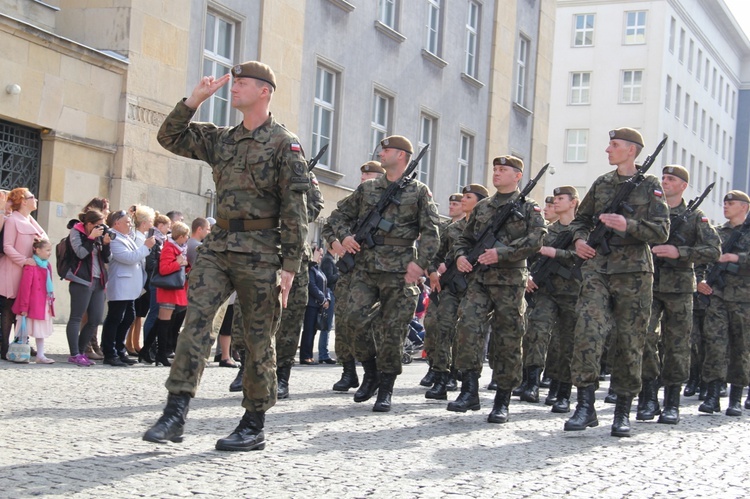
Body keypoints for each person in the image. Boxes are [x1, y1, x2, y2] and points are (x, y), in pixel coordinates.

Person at [143, 61, 309, 452]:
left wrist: (290, 267)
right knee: (195, 323)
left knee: (257, 340)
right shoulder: (223, 139)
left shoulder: (285, 144)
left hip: (263, 252)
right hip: (219, 247)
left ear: (264, 91)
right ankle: (175, 412)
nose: (233, 89)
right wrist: (194, 100)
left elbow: (295, 208)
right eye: (232, 84)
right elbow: (169, 136)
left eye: (242, 84)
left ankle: (253, 422)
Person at [563, 128, 670, 438]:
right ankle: (585, 406)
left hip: (634, 273)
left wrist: (629, 225)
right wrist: (581, 240)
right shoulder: (602, 183)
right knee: (587, 330)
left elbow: (662, 231)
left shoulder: (651, 187)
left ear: (631, 151)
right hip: (597, 267)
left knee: (630, 340)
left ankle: (622, 410)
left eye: (614, 145)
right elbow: (581, 220)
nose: (607, 150)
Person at [326, 135, 440, 413]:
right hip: (366, 267)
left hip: (401, 270)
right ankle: (371, 372)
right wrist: (345, 236)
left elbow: (431, 232)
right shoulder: (368, 189)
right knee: (353, 320)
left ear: (402, 156)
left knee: (393, 331)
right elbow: (337, 217)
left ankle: (385, 388)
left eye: (387, 150)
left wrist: (420, 263)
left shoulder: (418, 191)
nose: (381, 152)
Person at [447, 156, 545, 424]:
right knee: (467, 328)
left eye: (504, 170)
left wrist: (502, 253)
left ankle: (502, 399)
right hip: (479, 279)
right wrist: (460, 256)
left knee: (508, 338)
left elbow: (536, 241)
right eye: (495, 169)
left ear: (518, 176)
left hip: (510, 281)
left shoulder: (529, 208)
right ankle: (469, 390)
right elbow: (464, 238)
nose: (497, 174)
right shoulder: (483, 207)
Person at [637, 166, 720, 424]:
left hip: (680, 288)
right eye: (663, 178)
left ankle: (671, 402)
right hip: (649, 284)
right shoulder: (650, 212)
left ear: (683, 185)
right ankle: (648, 396)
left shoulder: (695, 217)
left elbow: (713, 250)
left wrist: (680, 252)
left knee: (677, 345)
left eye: (671, 179)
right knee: (645, 338)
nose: (665, 182)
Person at [324, 160, 385, 393]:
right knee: (343, 322)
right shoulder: (354, 205)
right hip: (350, 271)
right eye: (362, 177)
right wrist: (336, 242)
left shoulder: (388, 204)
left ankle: (376, 370)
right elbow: (330, 225)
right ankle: (348, 371)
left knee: (371, 324)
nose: (363, 182)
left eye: (369, 177)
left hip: (375, 272)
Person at [423, 184, 488, 399]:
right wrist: (432, 272)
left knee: (467, 332)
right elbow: (435, 255)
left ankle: (464, 376)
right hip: (451, 286)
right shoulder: (452, 229)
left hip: (477, 286)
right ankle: (442, 376)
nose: (463, 201)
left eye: (468, 197)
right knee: (443, 328)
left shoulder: (487, 229)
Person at [523, 186, 580, 412]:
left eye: (560, 199)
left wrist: (556, 253)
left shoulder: (581, 231)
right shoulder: (547, 231)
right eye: (554, 199)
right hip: (545, 291)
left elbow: (585, 256)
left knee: (566, 342)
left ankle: (563, 391)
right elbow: (529, 257)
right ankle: (532, 383)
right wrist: (526, 276)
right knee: (537, 332)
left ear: (573, 202)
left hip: (572, 293)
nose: (555, 202)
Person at [696, 190, 750, 417]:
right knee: (714, 344)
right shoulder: (717, 233)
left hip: (744, 298)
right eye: (725, 202)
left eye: (732, 203)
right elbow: (700, 258)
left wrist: (736, 258)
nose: (726, 206)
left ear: (744, 207)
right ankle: (712, 395)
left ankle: (736, 397)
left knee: (741, 346)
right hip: (716, 295)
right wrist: (699, 281)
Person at [271, 169, 324, 398]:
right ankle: (250, 369)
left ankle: (282, 377)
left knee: (291, 319)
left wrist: (293, 215)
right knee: (253, 315)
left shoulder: (300, 171)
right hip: (264, 250)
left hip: (296, 254)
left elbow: (316, 203)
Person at [100, 209, 156, 366]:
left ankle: (119, 349)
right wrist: (145, 247)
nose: (130, 224)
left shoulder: (125, 236)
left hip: (130, 286)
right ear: (116, 223)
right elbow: (127, 258)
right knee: (115, 318)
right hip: (121, 284)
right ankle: (110, 352)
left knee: (128, 317)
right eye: (126, 221)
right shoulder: (114, 237)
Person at [421, 192, 464, 387]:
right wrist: (432, 271)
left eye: (458, 203)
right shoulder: (445, 228)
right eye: (452, 203)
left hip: (461, 284)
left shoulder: (471, 229)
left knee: (454, 329)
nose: (453, 206)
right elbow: (432, 254)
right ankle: (434, 365)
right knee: (431, 325)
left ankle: (452, 370)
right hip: (441, 284)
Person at [0, 188, 48, 360]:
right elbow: (7, 246)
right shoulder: (13, 220)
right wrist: (23, 260)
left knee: (23, 309)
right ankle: (4, 346)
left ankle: (22, 342)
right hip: (12, 270)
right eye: (31, 197)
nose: (35, 199)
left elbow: (44, 237)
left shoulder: (28, 219)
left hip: (28, 272)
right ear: (23, 201)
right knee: (8, 309)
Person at [65, 209, 111, 366]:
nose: (101, 228)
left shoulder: (98, 235)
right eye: (98, 225)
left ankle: (81, 350)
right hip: (81, 280)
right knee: (76, 317)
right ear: (89, 224)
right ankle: (74, 354)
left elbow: (107, 258)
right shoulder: (76, 232)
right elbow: (80, 253)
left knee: (96, 319)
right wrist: (91, 238)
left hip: (99, 281)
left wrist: (105, 244)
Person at [151, 221, 191, 367]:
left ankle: (148, 351)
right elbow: (164, 269)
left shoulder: (178, 248)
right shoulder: (169, 248)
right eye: (186, 236)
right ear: (180, 236)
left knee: (162, 323)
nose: (187, 238)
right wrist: (179, 263)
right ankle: (161, 354)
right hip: (168, 290)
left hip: (174, 289)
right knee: (163, 324)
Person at [12, 238, 56, 363]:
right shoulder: (31, 266)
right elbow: (25, 288)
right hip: (32, 303)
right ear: (37, 250)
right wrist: (24, 306)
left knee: (40, 330)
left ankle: (40, 355)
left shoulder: (47, 265)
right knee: (25, 329)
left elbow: (49, 284)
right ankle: (21, 353)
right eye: (47, 250)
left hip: (43, 302)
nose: (49, 253)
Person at [80, 197, 111, 360]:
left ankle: (94, 342)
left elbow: (105, 255)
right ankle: (86, 346)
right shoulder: (83, 228)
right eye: (106, 209)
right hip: (87, 274)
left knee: (95, 314)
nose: (108, 212)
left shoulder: (103, 227)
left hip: (100, 274)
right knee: (86, 314)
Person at [139, 212, 171, 363]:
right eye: (167, 226)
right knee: (153, 314)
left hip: (160, 281)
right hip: (154, 281)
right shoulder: (154, 240)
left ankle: (153, 347)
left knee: (158, 314)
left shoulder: (163, 240)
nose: (169, 229)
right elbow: (150, 263)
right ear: (160, 226)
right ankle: (148, 346)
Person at [126, 205, 156, 356]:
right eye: (150, 221)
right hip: (138, 277)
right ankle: (129, 343)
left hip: (142, 278)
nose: (152, 224)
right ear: (144, 222)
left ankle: (135, 342)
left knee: (139, 314)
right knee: (134, 313)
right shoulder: (137, 237)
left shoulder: (142, 236)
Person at [299, 247, 329, 364]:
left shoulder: (318, 269)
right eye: (319, 254)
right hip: (311, 304)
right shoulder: (311, 269)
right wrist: (322, 299)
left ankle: (309, 355)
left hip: (318, 305)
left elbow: (325, 286)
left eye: (321, 255)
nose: (321, 257)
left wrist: (327, 299)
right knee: (308, 330)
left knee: (313, 331)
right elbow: (312, 286)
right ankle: (305, 356)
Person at [317, 242, 339, 365]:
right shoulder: (328, 260)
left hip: (331, 293)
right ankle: (323, 354)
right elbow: (329, 278)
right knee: (327, 325)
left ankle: (323, 353)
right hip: (329, 293)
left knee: (328, 325)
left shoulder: (330, 259)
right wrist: (340, 273)